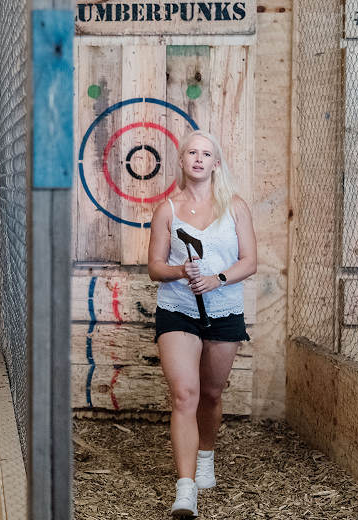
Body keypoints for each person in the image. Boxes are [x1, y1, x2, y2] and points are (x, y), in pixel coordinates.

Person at [146, 129, 257, 518]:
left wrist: (217, 279)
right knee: (184, 394)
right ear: (181, 160)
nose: (198, 159)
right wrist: (180, 270)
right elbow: (154, 267)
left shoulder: (236, 207)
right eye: (191, 152)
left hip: (224, 309)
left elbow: (249, 261)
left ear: (216, 163)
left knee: (210, 393)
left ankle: (205, 455)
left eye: (206, 154)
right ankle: (185, 487)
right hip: (178, 309)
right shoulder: (168, 209)